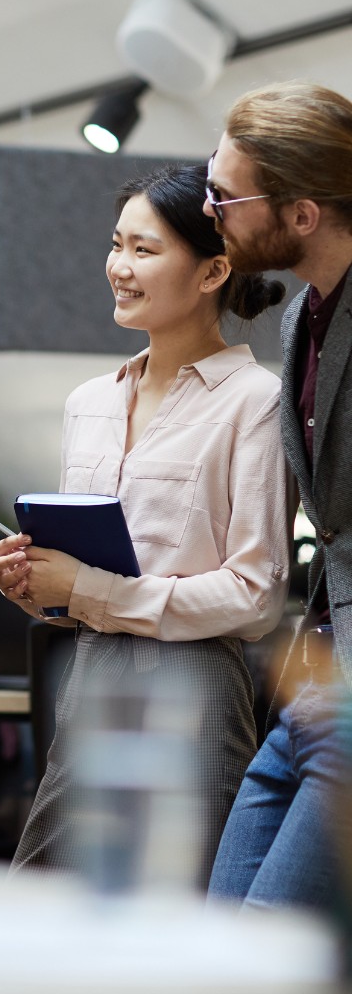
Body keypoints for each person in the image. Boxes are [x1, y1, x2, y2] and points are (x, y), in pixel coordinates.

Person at [0, 163, 290, 887]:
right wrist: (32, 583)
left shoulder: (257, 400)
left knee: (171, 928)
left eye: (144, 250)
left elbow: (254, 595)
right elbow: (77, 584)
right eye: (116, 244)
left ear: (215, 269)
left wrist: (87, 587)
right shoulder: (87, 402)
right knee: (43, 904)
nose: (119, 267)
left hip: (195, 684)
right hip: (88, 672)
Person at [207, 81, 352, 912]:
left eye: (227, 196)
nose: (210, 209)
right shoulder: (300, 319)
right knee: (220, 943)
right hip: (310, 686)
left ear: (301, 214)